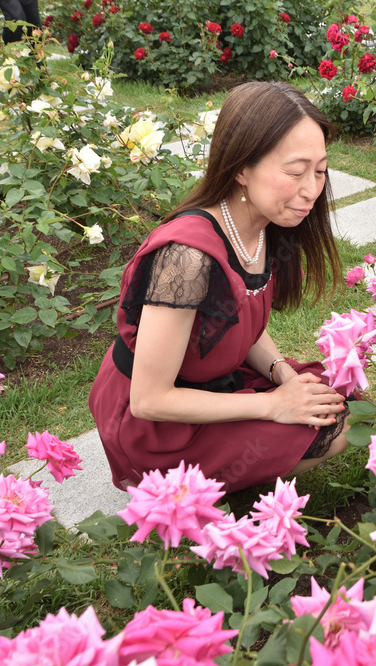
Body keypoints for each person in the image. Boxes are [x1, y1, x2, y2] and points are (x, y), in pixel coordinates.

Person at [89, 82, 351, 494]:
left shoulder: (265, 227)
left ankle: (239, 470)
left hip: (215, 379)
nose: (311, 191)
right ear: (241, 168)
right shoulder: (186, 258)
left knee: (332, 406)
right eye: (296, 172)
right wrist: (272, 405)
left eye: (320, 171)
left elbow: (238, 320)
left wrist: (280, 372)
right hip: (158, 424)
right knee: (328, 431)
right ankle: (204, 492)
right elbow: (148, 399)